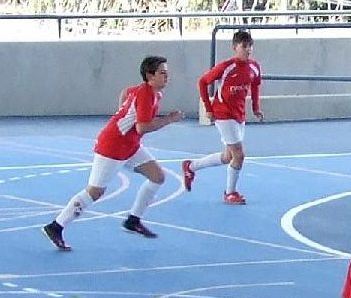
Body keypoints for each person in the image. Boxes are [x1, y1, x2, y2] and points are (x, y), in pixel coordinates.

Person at [42, 56, 184, 251]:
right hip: (113, 146)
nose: (167, 76)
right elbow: (142, 127)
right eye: (162, 73)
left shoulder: (152, 93)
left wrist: (123, 113)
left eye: (167, 72)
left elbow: (126, 92)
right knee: (94, 192)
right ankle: (56, 226)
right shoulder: (146, 94)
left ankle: (133, 220)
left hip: (130, 145)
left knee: (157, 176)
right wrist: (169, 119)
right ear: (150, 76)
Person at [182, 29, 264, 205]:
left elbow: (256, 87)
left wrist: (256, 108)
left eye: (250, 46)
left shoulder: (254, 67)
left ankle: (191, 167)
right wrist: (208, 107)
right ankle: (230, 193)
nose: (248, 49)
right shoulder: (226, 67)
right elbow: (203, 82)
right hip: (223, 114)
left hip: (238, 116)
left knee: (228, 157)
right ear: (235, 47)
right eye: (244, 46)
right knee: (239, 155)